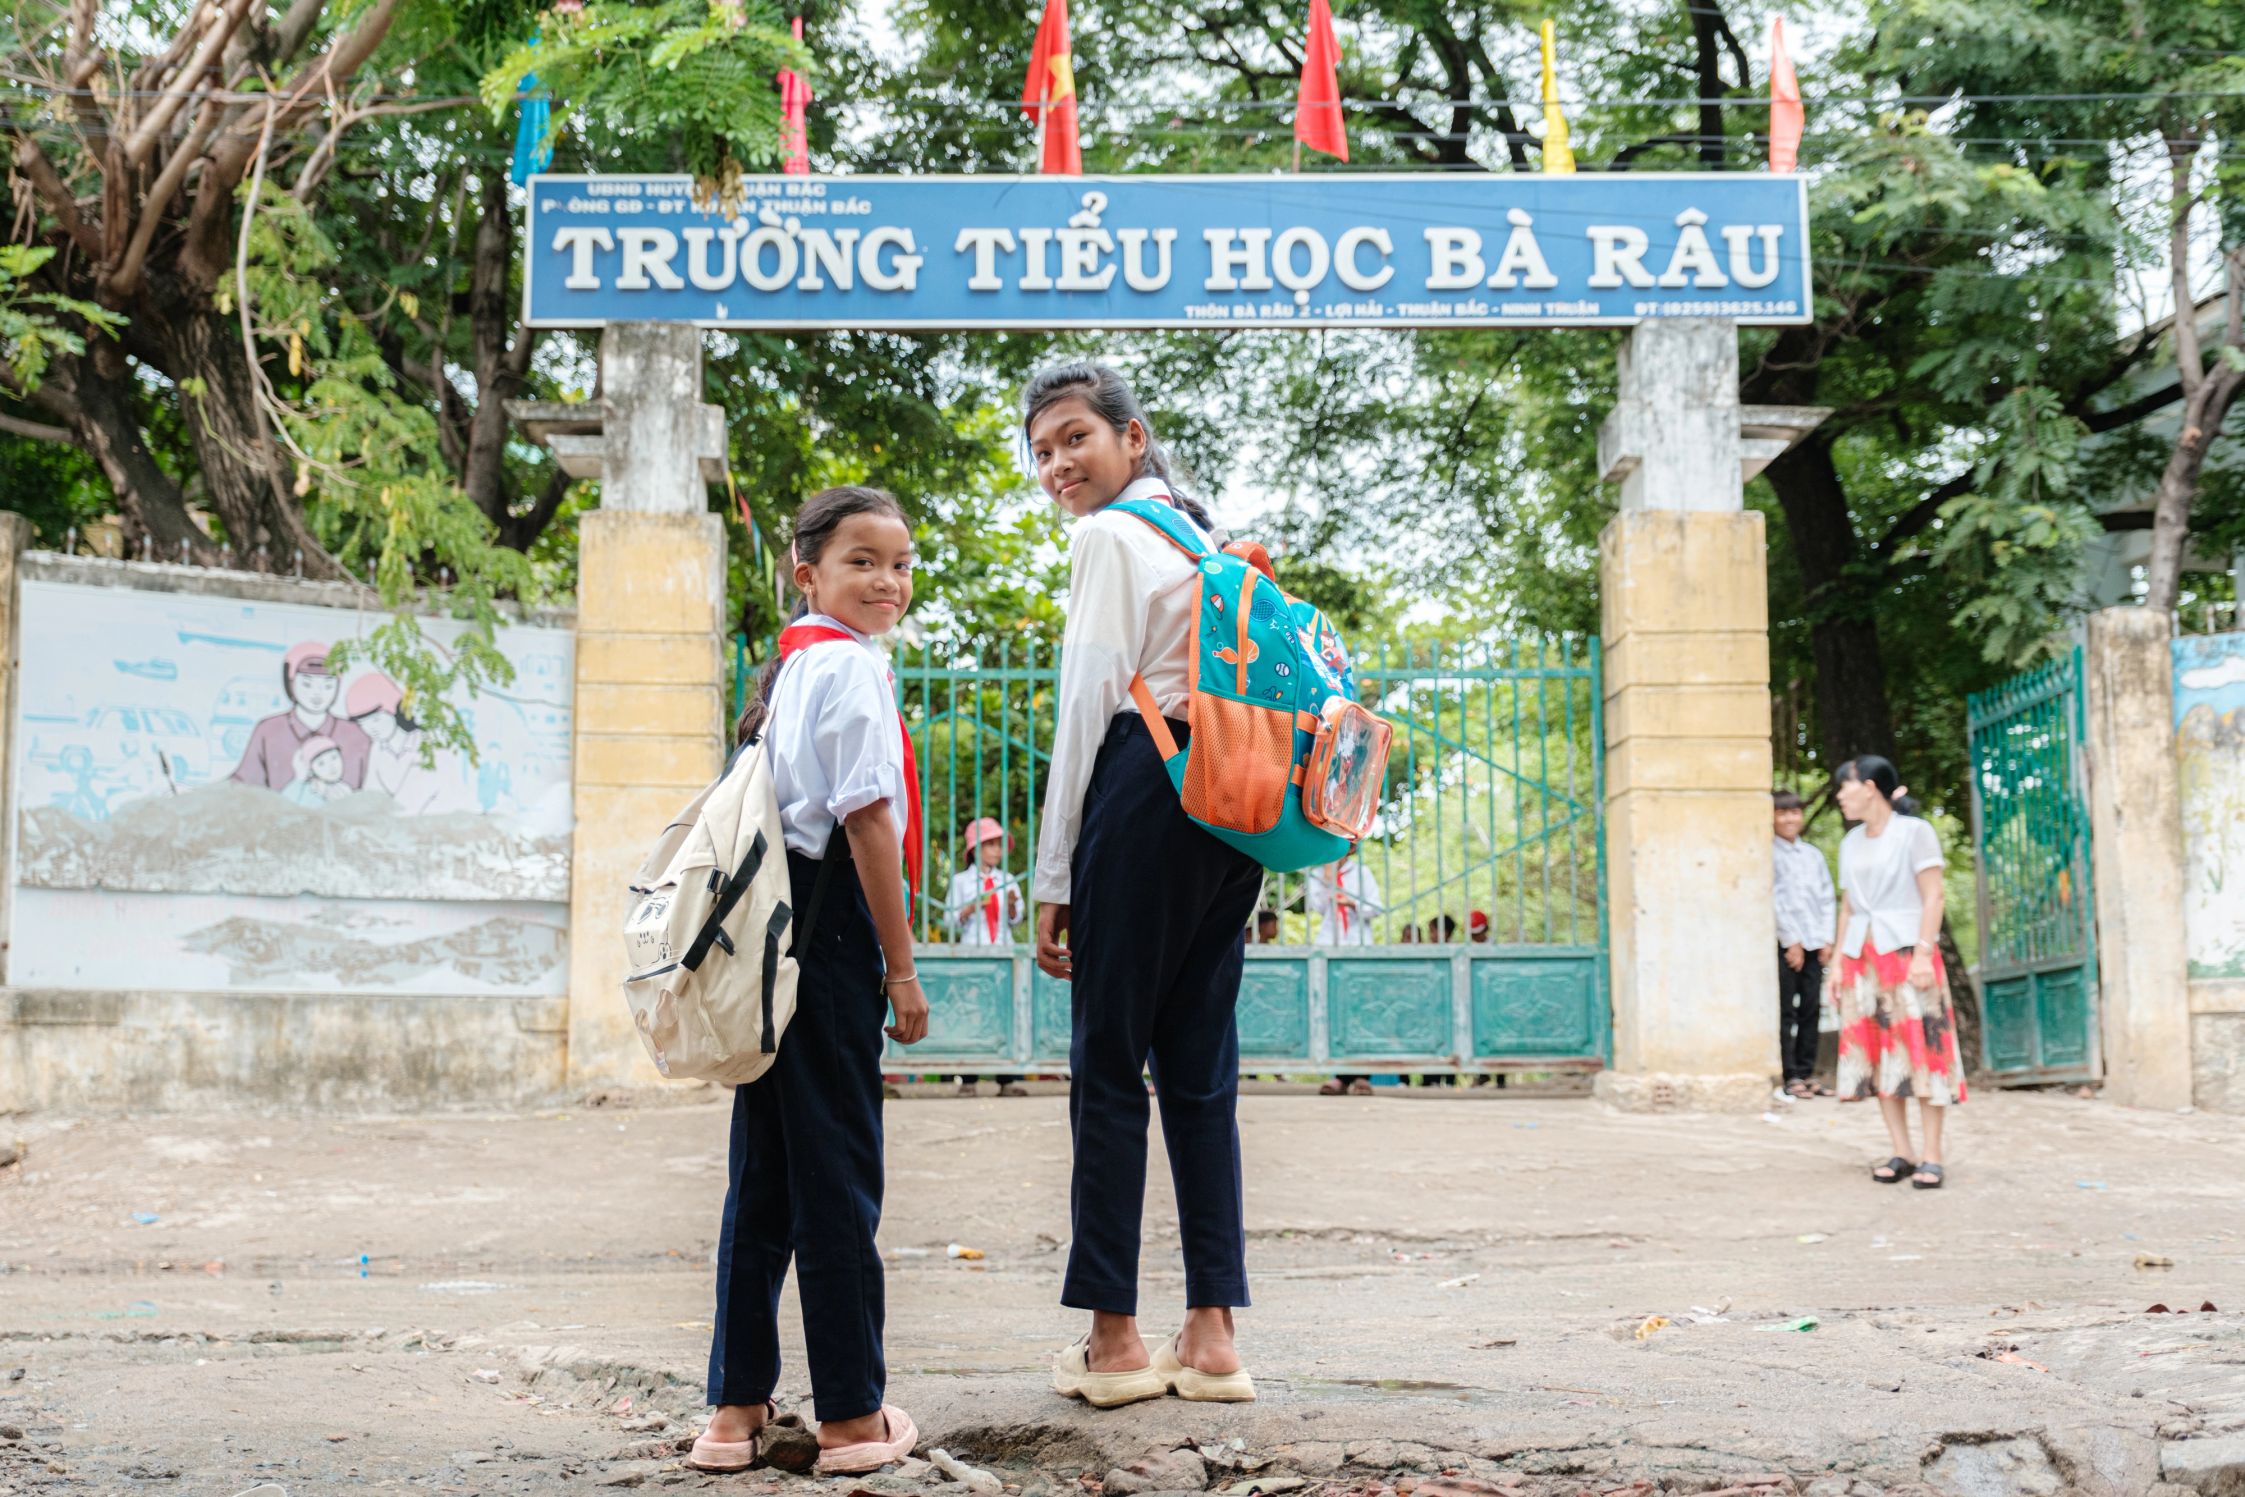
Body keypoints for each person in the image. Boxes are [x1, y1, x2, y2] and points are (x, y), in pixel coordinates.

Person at [1026, 361, 1262, 1409]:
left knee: (1110, 1064)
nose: (1057, 465)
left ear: (1131, 436)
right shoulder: (1203, 539)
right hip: (1232, 800)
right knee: (1201, 1071)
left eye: (1074, 437)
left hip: (1142, 784)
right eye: (1041, 451)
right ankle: (1212, 1336)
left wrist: (1053, 869)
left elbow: (1087, 701)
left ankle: (1114, 1341)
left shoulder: (1110, 538)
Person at [691, 486, 931, 1475]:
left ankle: (732, 1416)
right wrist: (902, 966)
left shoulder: (790, 671)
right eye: (862, 561)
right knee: (838, 1184)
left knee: (766, 1188)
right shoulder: (851, 671)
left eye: (902, 564)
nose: (888, 580)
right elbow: (870, 823)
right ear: (809, 574)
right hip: (828, 952)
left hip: (767, 950)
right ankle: (848, 1422)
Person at [1832, 755, 1965, 1191]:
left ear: (1869, 787)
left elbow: (1933, 896)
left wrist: (1925, 953)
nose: (1839, 796)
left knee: (1921, 1049)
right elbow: (1849, 906)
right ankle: (1901, 1150)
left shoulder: (1915, 832)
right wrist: (1837, 962)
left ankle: (1932, 1154)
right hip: (1862, 958)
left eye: (1844, 787)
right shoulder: (1850, 842)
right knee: (1878, 1051)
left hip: (1908, 952)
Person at [946, 817, 1027, 1097]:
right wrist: (968, 909)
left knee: (1006, 1014)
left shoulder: (1008, 880)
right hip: (973, 953)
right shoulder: (960, 882)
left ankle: (1008, 1079)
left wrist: (1014, 907)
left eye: (999, 845)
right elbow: (948, 920)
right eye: (990, 844)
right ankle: (969, 1079)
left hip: (1003, 951)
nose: (996, 850)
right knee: (973, 1014)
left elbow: (1017, 920)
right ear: (976, 848)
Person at [230, 641, 369, 792]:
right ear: (290, 683)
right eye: (307, 684)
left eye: (328, 685)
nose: (317, 693)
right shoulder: (268, 730)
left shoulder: (356, 735)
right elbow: (243, 784)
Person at [1772, 789, 1837, 1100]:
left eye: (1794, 812)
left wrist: (1827, 939)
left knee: (1812, 1008)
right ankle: (1789, 1074)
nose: (1789, 818)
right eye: (1782, 813)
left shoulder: (1813, 855)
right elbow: (1774, 900)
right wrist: (1791, 941)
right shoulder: (1768, 854)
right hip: (1787, 944)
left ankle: (1807, 1071)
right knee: (1787, 1010)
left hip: (1815, 942)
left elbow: (1826, 898)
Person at [347, 673, 441, 814]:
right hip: (395, 826)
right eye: (362, 724)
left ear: (394, 710)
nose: (370, 729)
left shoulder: (424, 742)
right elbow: (372, 793)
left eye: (376, 719)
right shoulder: (378, 748)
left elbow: (412, 801)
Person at [1307, 855, 1381, 946]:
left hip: (1359, 941)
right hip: (1327, 940)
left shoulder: (1362, 872)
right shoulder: (1316, 874)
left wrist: (1352, 904)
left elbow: (1376, 909)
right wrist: (1328, 881)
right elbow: (1320, 908)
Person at [282, 736, 352, 807]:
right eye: (321, 763)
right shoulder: (307, 790)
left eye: (334, 757)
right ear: (311, 770)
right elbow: (284, 803)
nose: (331, 766)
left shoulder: (344, 789)